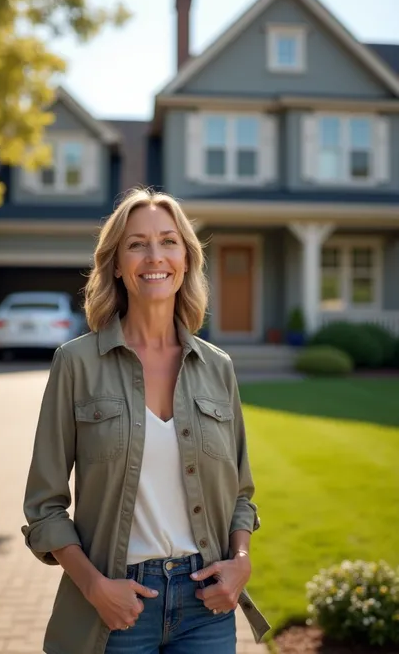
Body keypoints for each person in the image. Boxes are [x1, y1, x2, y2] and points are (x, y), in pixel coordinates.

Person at [21, 187, 270, 654]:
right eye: (137, 244)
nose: (154, 256)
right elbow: (44, 507)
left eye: (168, 241)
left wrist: (240, 561)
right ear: (116, 263)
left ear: (187, 258)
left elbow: (241, 494)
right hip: (116, 605)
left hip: (207, 606)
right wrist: (95, 588)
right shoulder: (76, 364)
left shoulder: (218, 367)